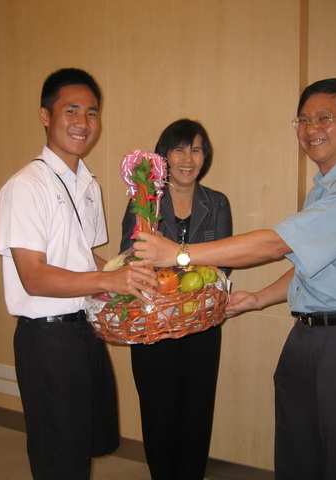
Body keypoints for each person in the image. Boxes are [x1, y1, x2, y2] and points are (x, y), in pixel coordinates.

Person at [132, 78, 336, 480]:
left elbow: (276, 244)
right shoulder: (325, 189)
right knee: (298, 454)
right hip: (309, 334)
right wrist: (259, 298)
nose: (311, 128)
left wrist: (178, 253)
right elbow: (312, 267)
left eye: (324, 118)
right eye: (303, 119)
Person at [0, 68, 158, 480]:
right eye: (71, 111)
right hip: (46, 340)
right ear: (45, 116)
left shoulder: (87, 184)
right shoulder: (26, 186)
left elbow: (87, 258)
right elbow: (33, 276)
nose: (83, 122)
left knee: (85, 444)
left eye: (92, 112)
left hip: (85, 330)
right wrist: (109, 280)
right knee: (59, 458)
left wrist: (129, 272)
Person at [120, 119, 232, 480]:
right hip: (154, 326)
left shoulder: (217, 203)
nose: (188, 158)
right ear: (163, 156)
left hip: (202, 326)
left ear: (205, 156)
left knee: (197, 415)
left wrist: (175, 261)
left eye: (196, 149)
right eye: (179, 149)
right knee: (158, 415)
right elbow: (130, 259)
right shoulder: (143, 202)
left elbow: (223, 266)